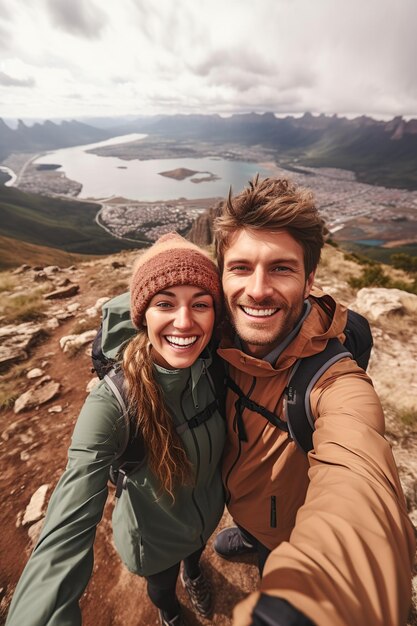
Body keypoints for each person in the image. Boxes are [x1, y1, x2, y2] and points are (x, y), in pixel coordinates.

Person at [211, 177, 415, 626]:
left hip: (289, 530)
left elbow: (360, 474)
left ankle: (264, 551)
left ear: (309, 280)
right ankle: (248, 535)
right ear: (220, 275)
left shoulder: (334, 382)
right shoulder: (211, 339)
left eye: (281, 268)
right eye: (241, 267)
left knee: (272, 563)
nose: (258, 289)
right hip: (243, 499)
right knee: (249, 524)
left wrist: (324, 594)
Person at [6, 233, 226, 626]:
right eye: (164, 303)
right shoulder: (114, 404)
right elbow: (65, 527)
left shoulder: (219, 369)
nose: (184, 321)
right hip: (153, 541)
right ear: (143, 315)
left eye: (201, 304)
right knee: (161, 586)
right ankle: (170, 613)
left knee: (193, 556)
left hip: (206, 517)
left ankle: (193, 572)